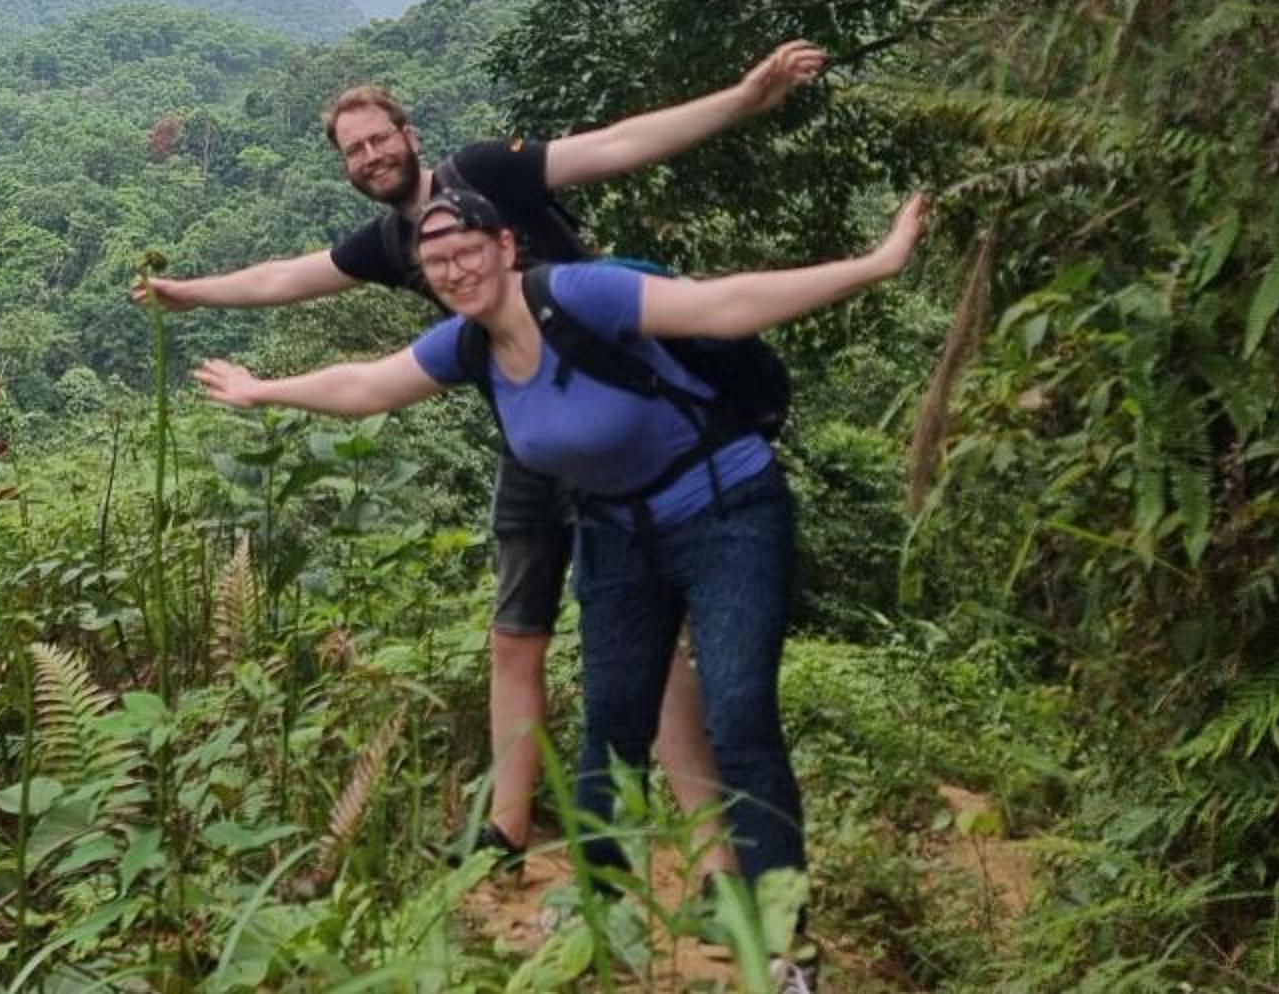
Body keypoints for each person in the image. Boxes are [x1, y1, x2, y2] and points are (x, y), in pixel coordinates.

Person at [193, 184, 929, 981]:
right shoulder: (466, 345)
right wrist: (263, 390)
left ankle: (786, 946)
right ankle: (599, 915)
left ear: (506, 247)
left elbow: (724, 306)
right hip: (615, 533)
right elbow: (368, 385)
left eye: (466, 252)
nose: (454, 271)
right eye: (436, 262)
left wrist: (875, 264)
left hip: (727, 510)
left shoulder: (581, 295)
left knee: (741, 714)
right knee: (612, 725)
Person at [132, 42, 827, 860]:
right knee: (515, 632)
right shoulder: (393, 242)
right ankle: (505, 829)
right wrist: (190, 295)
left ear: (409, 134)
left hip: (624, 415)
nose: (371, 156)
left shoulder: (489, 173)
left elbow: (614, 146)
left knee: (658, 650)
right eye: (354, 150)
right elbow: (289, 278)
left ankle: (712, 852)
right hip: (531, 435)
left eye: (379, 138)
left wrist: (742, 98)